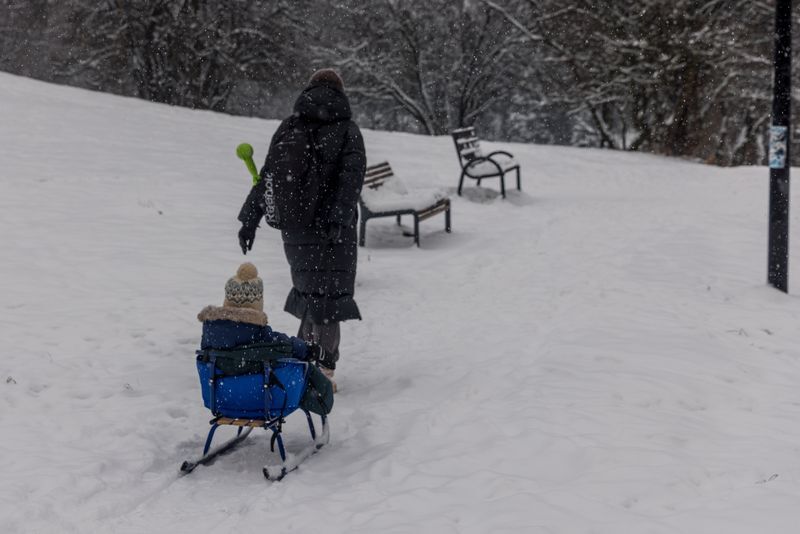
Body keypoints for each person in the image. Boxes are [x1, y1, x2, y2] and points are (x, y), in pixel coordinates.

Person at [237, 68, 366, 392]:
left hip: (295, 228)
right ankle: (323, 368)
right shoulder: (347, 130)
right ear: (340, 93)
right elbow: (351, 179)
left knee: (310, 294)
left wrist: (249, 219)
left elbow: (268, 176)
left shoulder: (289, 126)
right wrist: (338, 217)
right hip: (332, 229)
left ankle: (302, 361)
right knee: (329, 299)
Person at [197, 262, 332, 368]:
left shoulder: (210, 330)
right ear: (257, 304)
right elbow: (283, 345)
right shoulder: (257, 332)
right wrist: (310, 349)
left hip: (218, 390)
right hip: (253, 392)